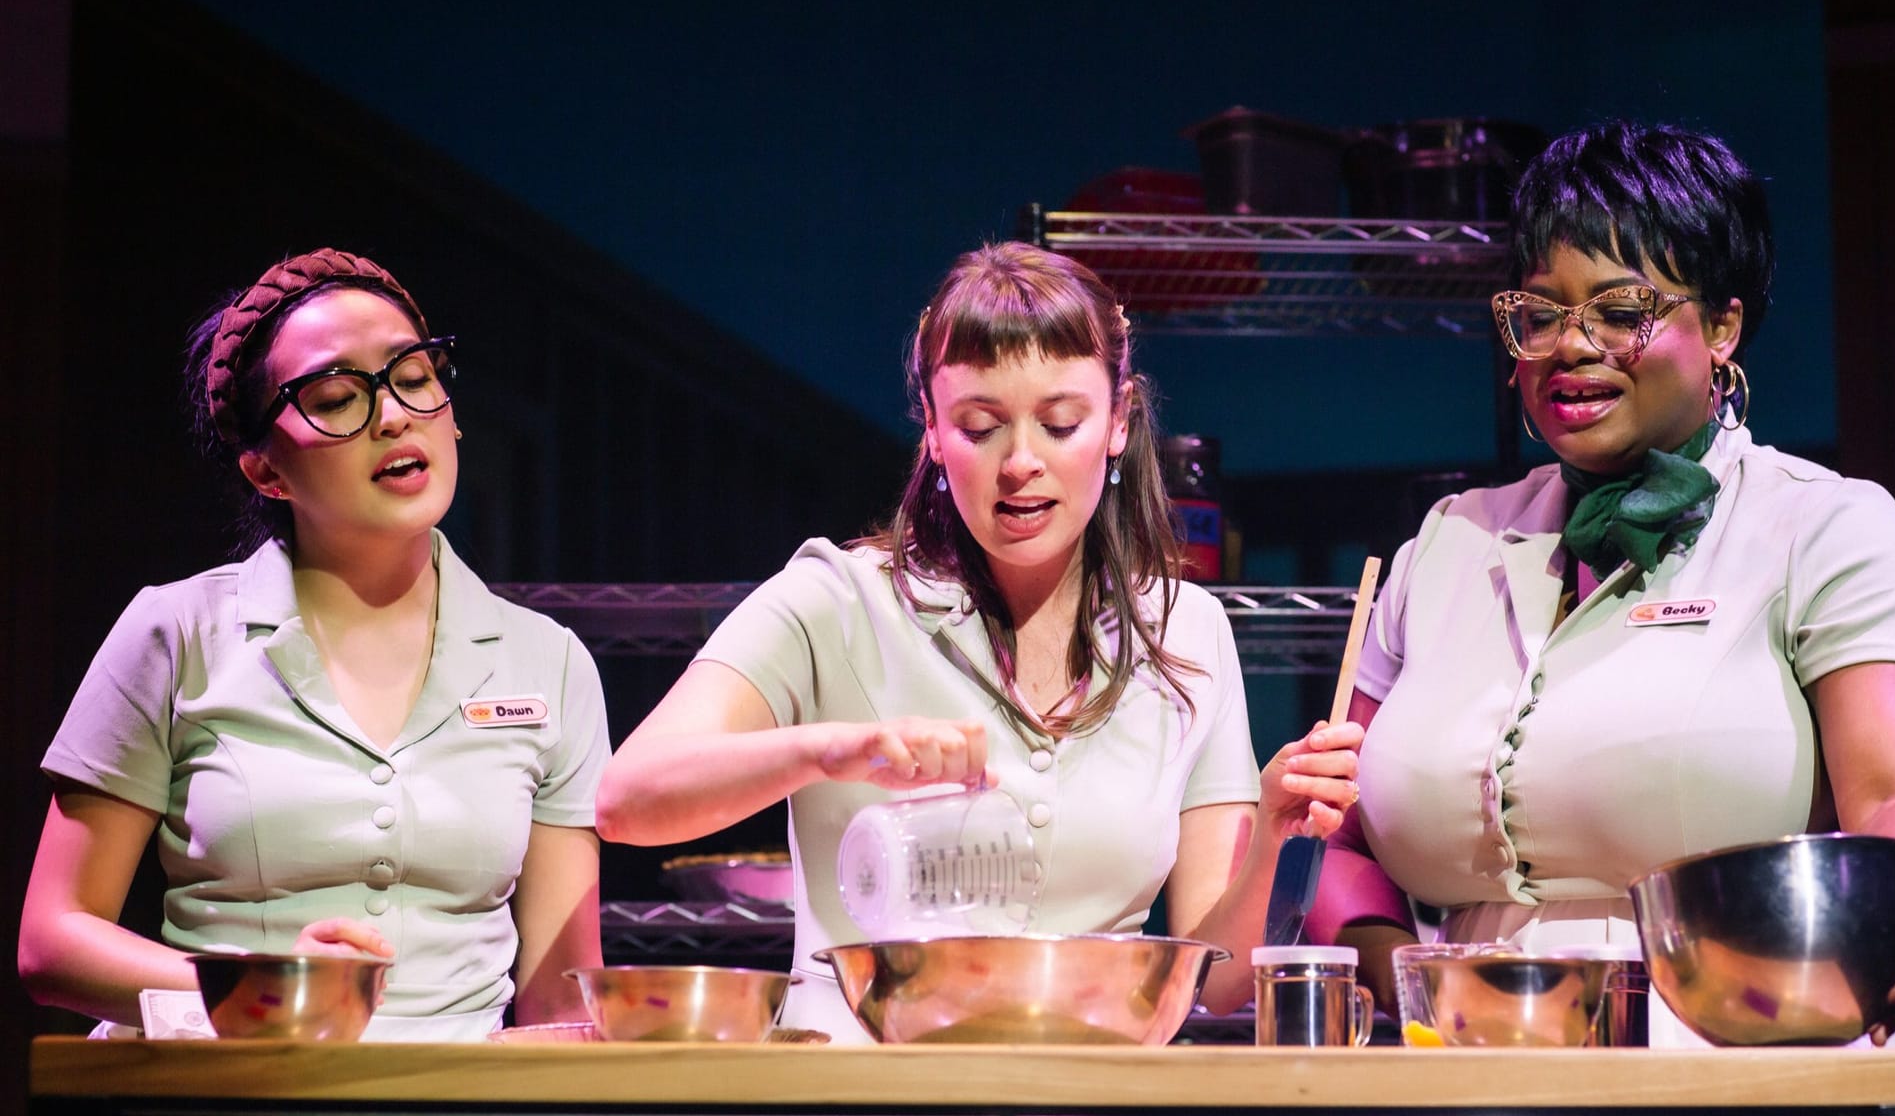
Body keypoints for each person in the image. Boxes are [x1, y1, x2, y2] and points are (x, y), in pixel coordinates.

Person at [1306, 123, 1895, 1103]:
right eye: (1539, 312)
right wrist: (1413, 1000)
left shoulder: (1822, 526)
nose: (1571, 346)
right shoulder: (1445, 545)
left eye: (1621, 309)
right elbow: (1333, 836)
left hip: (1767, 1068)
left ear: (1721, 329)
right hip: (1484, 1080)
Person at [595, 241, 1363, 1041]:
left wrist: (1274, 827)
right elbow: (626, 801)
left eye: (1061, 423)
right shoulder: (838, 600)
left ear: (1119, 423)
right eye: (980, 426)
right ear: (931, 428)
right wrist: (831, 751)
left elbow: (1224, 979)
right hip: (863, 1093)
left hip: (1096, 1090)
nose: (1021, 463)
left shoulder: (1186, 630)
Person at [18, 248, 611, 1041]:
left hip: (457, 1096)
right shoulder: (177, 632)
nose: (393, 415)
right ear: (267, 472)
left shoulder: (550, 661)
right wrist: (262, 991)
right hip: (222, 1090)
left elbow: (560, 998)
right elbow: (52, 940)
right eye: (336, 396)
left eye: (412, 377)